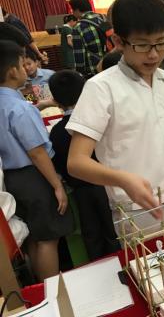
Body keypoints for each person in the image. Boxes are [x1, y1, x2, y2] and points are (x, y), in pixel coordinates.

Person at [66, 0, 164, 233]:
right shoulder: (101, 88)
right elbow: (76, 162)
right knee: (150, 257)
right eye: (142, 45)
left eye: (161, 43)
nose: (154, 54)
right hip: (136, 207)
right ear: (118, 41)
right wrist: (123, 179)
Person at [0, 39, 73, 280]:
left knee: (32, 236)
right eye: (22, 65)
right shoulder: (20, 108)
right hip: (34, 176)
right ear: (13, 71)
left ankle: (39, 288)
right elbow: (37, 152)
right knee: (49, 238)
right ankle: (52, 290)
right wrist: (56, 185)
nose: (26, 70)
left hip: (11, 178)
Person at [48, 70, 119, 260]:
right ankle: (121, 265)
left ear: (56, 101)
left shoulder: (56, 131)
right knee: (113, 229)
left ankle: (97, 266)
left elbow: (58, 163)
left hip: (80, 190)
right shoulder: (99, 121)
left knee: (91, 233)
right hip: (107, 185)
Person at [69, 0, 107, 78]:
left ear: (77, 10)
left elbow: (79, 55)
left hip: (95, 72)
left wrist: (80, 75)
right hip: (111, 65)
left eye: (72, 9)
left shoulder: (78, 27)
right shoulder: (103, 18)